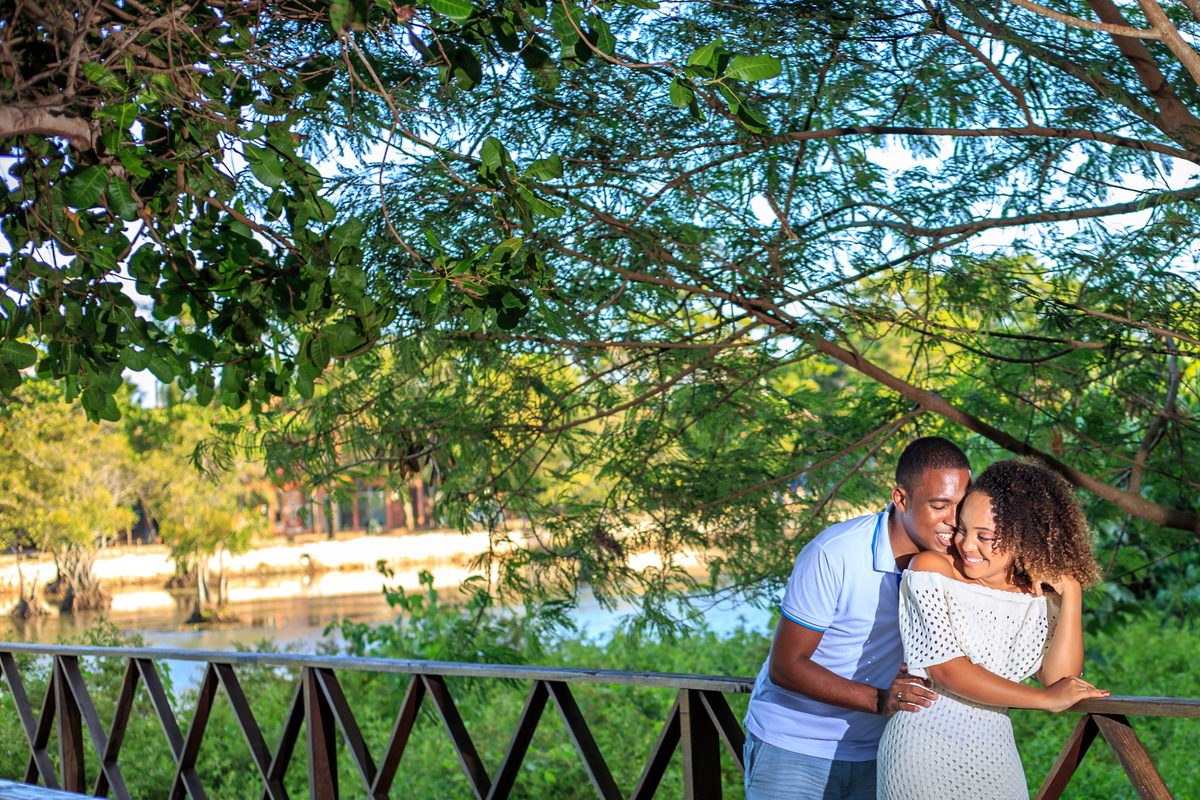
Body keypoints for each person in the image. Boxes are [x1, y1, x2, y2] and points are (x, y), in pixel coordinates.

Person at [743, 436, 972, 800]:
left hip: (882, 752)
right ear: (900, 498)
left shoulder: (958, 564)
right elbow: (785, 666)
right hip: (793, 748)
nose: (954, 520)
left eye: (961, 505)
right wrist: (879, 700)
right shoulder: (834, 553)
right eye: (940, 504)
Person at [876, 459, 1107, 800]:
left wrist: (1071, 593)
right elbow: (946, 670)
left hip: (996, 752)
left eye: (984, 536)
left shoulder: (1041, 594)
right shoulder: (931, 569)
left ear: (1026, 536)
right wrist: (1043, 701)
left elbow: (1061, 679)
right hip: (923, 748)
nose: (967, 545)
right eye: (963, 530)